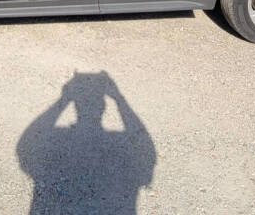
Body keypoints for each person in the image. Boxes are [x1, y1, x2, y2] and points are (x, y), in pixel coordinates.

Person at [17, 71, 156, 214]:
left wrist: (64, 99)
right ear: (103, 108)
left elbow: (27, 144)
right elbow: (146, 151)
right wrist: (119, 99)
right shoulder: (118, 143)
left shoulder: (61, 138)